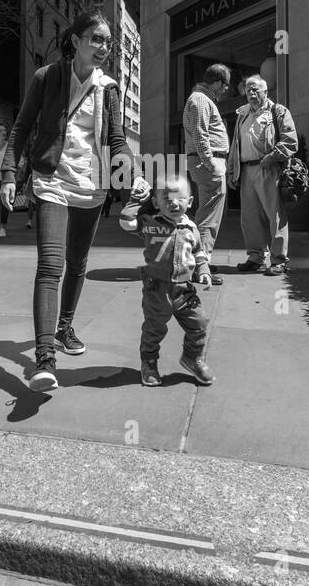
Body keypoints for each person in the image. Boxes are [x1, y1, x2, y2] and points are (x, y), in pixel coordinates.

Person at [0, 7, 149, 392]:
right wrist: (9, 174)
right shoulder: (47, 77)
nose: (103, 47)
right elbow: (21, 128)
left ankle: (64, 325)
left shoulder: (109, 88)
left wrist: (133, 177)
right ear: (76, 40)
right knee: (50, 265)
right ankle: (44, 358)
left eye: (108, 42)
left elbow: (116, 140)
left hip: (93, 185)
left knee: (77, 262)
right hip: (52, 180)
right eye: (95, 39)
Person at [120, 173, 216, 388]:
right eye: (166, 198)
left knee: (199, 323)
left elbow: (199, 253)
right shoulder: (150, 223)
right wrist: (135, 201)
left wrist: (204, 271)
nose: (173, 202)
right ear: (155, 202)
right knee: (155, 328)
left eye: (179, 198)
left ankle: (193, 357)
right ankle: (149, 362)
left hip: (185, 290)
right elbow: (126, 223)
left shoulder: (192, 229)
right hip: (157, 289)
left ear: (190, 202)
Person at [226, 74, 297, 276]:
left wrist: (272, 157)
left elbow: (291, 141)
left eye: (256, 89)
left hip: (269, 169)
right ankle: (256, 257)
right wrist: (232, 171)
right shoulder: (242, 115)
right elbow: (235, 147)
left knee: (275, 216)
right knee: (249, 218)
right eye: (248, 89)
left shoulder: (279, 111)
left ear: (266, 91)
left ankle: (279, 260)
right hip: (246, 171)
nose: (252, 92)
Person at [182, 63, 231, 285]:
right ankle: (198, 266)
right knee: (208, 218)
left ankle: (200, 262)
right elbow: (201, 135)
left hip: (206, 163)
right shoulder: (200, 100)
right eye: (225, 85)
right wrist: (211, 163)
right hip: (208, 164)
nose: (226, 90)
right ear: (218, 82)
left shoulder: (200, 99)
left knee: (207, 215)